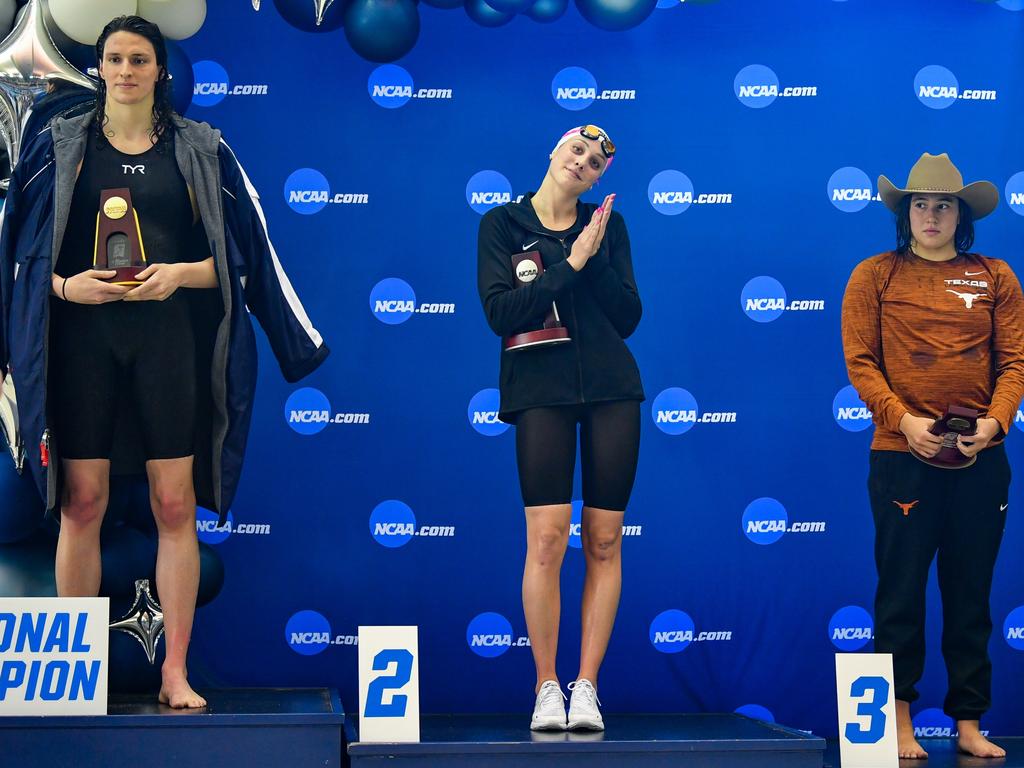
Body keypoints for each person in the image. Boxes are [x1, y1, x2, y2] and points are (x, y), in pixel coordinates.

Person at [0, 16, 329, 707]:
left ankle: (174, 671)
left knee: (175, 504)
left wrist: (179, 275)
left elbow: (242, 261)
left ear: (159, 71)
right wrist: (68, 287)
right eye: (114, 58)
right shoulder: (56, 146)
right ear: (99, 68)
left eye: (139, 59)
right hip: (82, 343)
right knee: (80, 504)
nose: (125, 70)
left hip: (168, 344)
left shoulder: (203, 149)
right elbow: (18, 257)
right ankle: (75, 672)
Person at [841, 152, 1024, 759]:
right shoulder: (875, 275)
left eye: (944, 204)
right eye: (920, 203)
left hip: (981, 461)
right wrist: (905, 421)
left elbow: (1015, 362)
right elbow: (861, 363)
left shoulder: (996, 275)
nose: (931, 214)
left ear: (961, 213)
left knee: (970, 594)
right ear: (905, 212)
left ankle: (969, 723)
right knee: (900, 593)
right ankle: (898, 723)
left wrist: (996, 423)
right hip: (901, 456)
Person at [477, 125, 643, 731]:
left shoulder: (608, 227)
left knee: (603, 541)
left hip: (611, 390)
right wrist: (569, 263)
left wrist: (593, 259)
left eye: (596, 162)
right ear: (553, 152)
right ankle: (546, 684)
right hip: (539, 391)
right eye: (576, 149)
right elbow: (501, 311)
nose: (583, 162)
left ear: (600, 179)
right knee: (546, 540)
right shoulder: (501, 225)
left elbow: (627, 317)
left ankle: (586, 687)